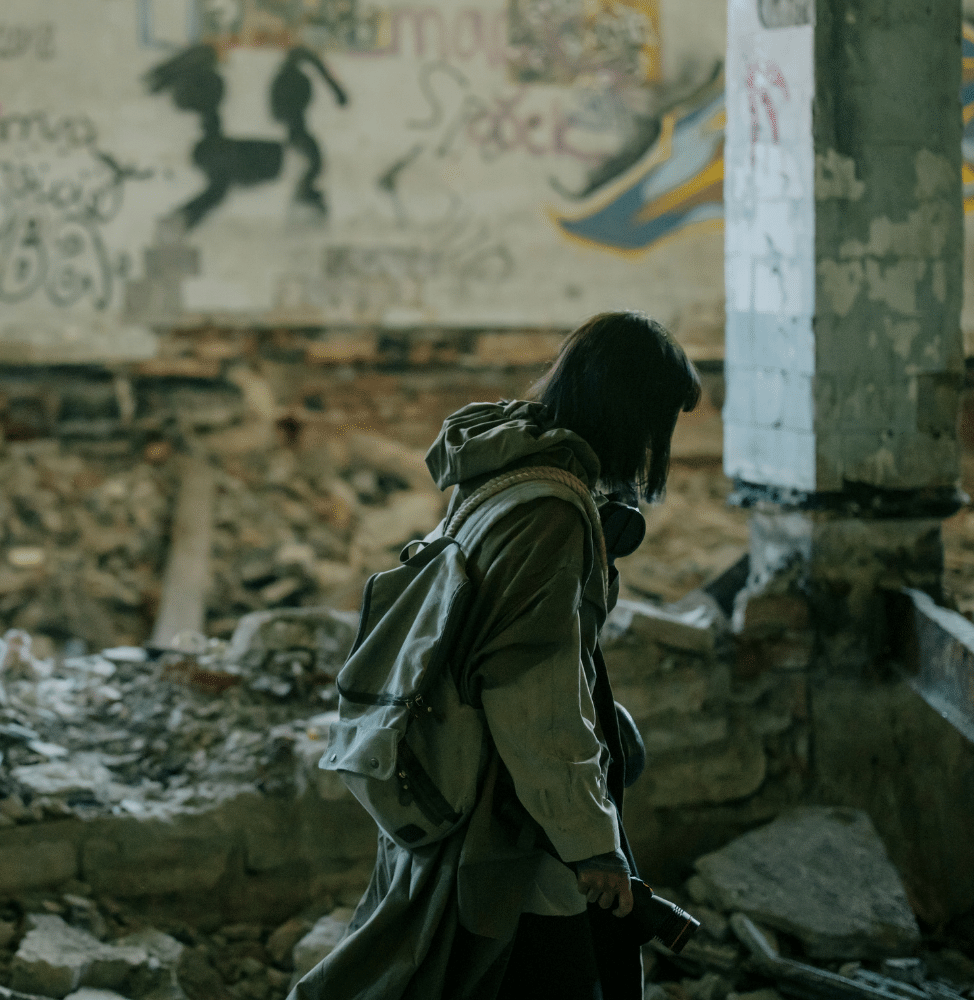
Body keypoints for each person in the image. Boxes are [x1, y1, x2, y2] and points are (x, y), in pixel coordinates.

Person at [292, 312, 702, 999]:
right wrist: (590, 840)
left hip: (461, 780)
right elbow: (533, 694)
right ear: (632, 413)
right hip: (505, 818)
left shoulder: (505, 469)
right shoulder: (550, 510)